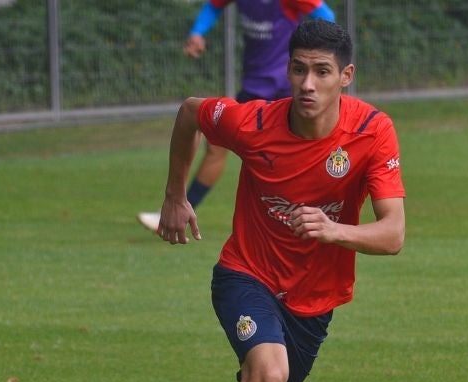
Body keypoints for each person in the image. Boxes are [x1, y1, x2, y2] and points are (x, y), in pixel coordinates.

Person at [152, 19, 405, 382]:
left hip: (315, 301)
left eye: (322, 72)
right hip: (247, 274)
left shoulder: (372, 132)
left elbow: (393, 234)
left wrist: (333, 229)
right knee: (268, 374)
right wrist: (175, 195)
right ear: (285, 71)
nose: (308, 84)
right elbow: (192, 110)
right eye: (298, 69)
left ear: (346, 77)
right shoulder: (255, 122)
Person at [137, 0, 335, 233]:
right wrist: (197, 33)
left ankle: (312, 214)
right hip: (253, 88)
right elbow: (213, 6)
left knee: (294, 153)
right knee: (217, 148)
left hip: (284, 89)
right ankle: (179, 208)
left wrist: (307, 55)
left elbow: (327, 17)